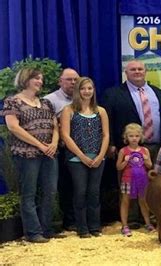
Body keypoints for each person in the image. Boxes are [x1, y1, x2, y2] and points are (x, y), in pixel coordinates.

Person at [1, 68, 59, 243]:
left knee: (50, 191)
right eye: (36, 78)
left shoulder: (46, 103)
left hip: (49, 153)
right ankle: (33, 232)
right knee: (29, 193)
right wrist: (40, 145)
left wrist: (54, 143)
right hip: (26, 154)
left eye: (41, 79)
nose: (40, 82)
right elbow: (13, 127)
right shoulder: (12, 102)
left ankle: (47, 229)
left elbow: (55, 126)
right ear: (26, 79)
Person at [60, 77, 109, 238]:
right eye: (83, 88)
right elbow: (65, 135)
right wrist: (81, 156)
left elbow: (105, 135)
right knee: (80, 192)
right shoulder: (69, 110)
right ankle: (82, 228)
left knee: (94, 192)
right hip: (76, 159)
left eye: (89, 88)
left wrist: (101, 155)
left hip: (97, 158)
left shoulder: (100, 111)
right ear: (77, 91)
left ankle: (95, 227)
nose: (87, 91)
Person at [103, 59, 161, 162]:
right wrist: (110, 143)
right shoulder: (113, 94)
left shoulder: (158, 92)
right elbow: (107, 121)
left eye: (140, 69)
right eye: (133, 69)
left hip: (159, 149)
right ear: (126, 73)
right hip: (129, 149)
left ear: (145, 72)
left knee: (159, 178)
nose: (137, 71)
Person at [44, 68, 80, 232]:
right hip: (62, 149)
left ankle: (80, 219)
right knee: (65, 186)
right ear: (60, 81)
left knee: (79, 185)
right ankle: (68, 221)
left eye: (75, 80)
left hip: (82, 148)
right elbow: (45, 127)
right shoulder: (49, 100)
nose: (73, 83)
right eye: (69, 80)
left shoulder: (84, 97)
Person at [116, 123, 155, 237]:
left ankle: (148, 223)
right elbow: (118, 167)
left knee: (143, 201)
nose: (134, 138)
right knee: (125, 201)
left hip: (142, 180)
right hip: (127, 179)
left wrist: (147, 159)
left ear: (141, 137)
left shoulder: (144, 150)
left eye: (137, 136)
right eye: (131, 136)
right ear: (126, 137)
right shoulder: (123, 151)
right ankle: (124, 225)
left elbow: (149, 166)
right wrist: (125, 161)